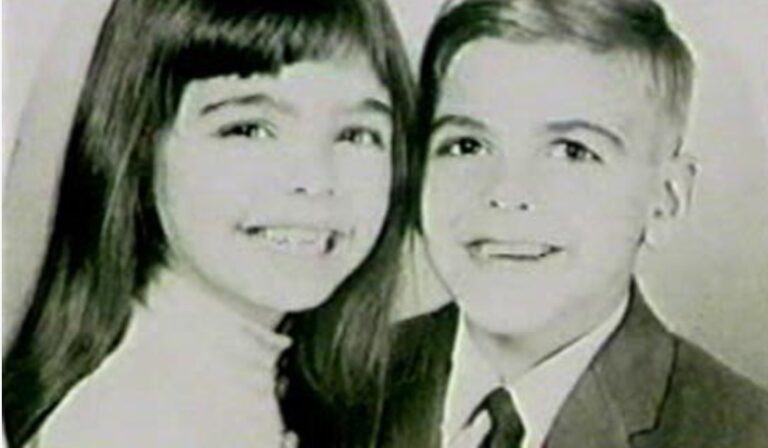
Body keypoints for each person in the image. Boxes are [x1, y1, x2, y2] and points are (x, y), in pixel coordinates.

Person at [2, 0, 414, 446]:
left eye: (355, 135)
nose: (315, 180)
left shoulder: (246, 385)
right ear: (140, 145)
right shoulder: (134, 423)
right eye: (249, 129)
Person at [381, 0, 768, 446]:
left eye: (572, 151)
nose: (507, 192)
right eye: (468, 145)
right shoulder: (334, 389)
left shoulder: (742, 433)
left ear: (665, 200)